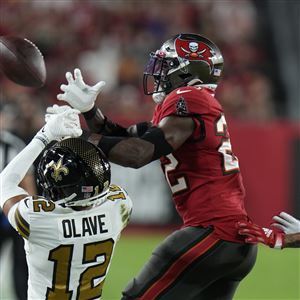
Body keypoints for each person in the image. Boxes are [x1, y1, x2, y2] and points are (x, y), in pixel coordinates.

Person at [56, 33, 257, 300]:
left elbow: (136, 155)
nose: (158, 73)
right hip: (234, 241)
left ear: (187, 73)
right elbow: (127, 138)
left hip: (211, 233)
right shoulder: (193, 105)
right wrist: (91, 112)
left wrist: (76, 137)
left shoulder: (188, 98)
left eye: (167, 66)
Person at [0, 107, 132, 299]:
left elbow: (4, 184)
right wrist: (76, 139)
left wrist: (45, 135)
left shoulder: (36, 219)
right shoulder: (120, 205)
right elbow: (92, 174)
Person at [0, 103, 36, 300]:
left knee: (21, 262)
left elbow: (27, 179)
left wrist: (31, 211)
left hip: (10, 212)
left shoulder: (13, 145)